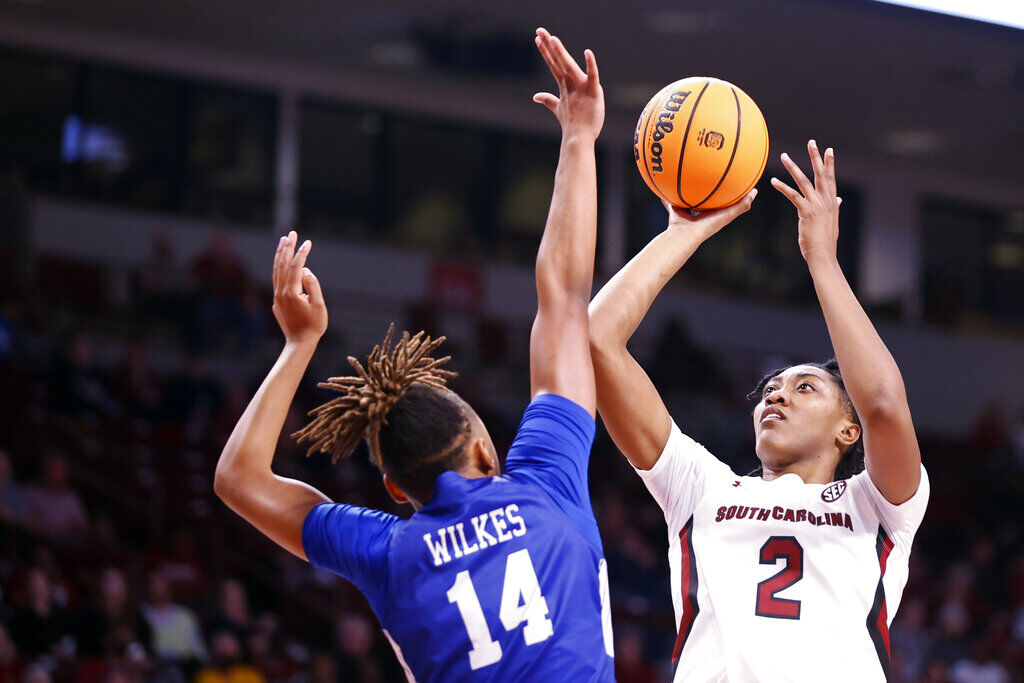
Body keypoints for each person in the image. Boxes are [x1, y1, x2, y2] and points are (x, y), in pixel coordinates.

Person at [214, 28, 615, 681]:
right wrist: (578, 139)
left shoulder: (390, 550)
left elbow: (239, 479)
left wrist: (298, 345)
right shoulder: (547, 481)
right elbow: (565, 297)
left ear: (396, 488)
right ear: (486, 449)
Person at [589, 141, 928, 681]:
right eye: (771, 388)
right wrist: (683, 231)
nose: (776, 395)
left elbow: (884, 405)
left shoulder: (878, 505)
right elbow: (597, 339)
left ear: (848, 430)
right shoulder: (703, 488)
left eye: (805, 388)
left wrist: (822, 261)